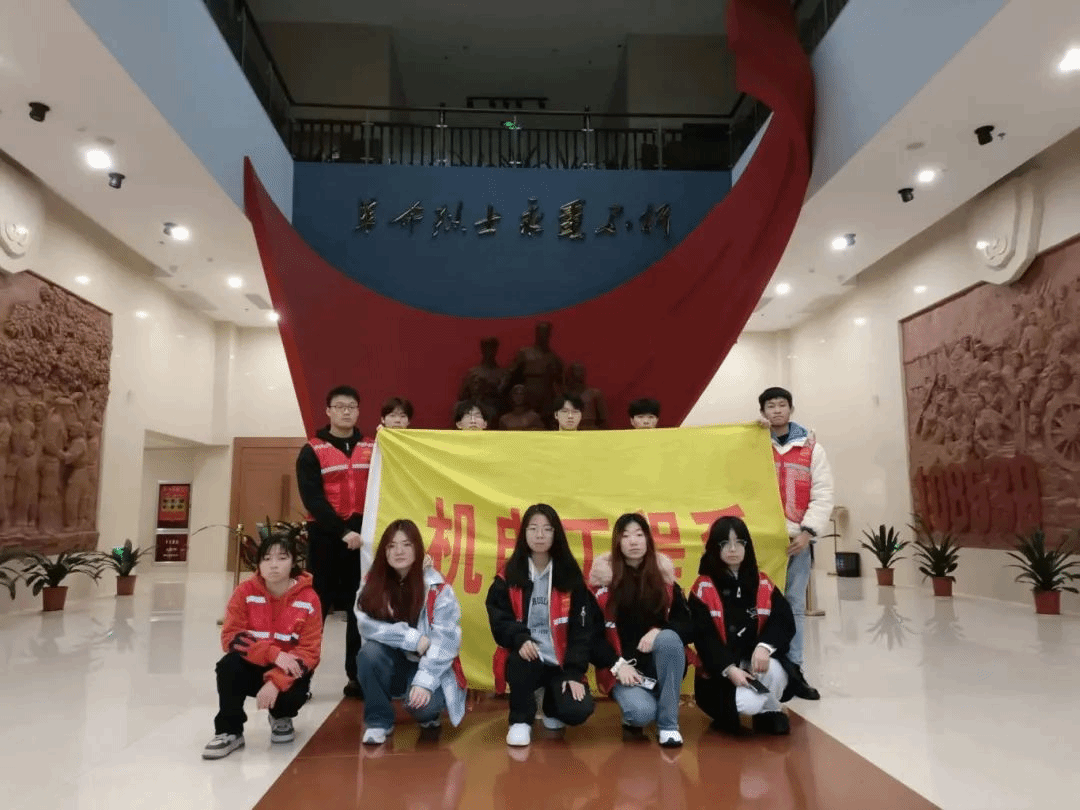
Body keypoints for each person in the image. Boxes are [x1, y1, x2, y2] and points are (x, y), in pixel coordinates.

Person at [203, 531, 322, 759]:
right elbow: (231, 636)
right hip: (256, 663)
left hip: (289, 671)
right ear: (258, 563)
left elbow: (310, 651)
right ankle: (230, 730)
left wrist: (276, 682)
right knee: (228, 666)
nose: (273, 565)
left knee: (293, 692)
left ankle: (281, 716)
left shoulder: (309, 599)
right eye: (266, 559)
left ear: (293, 562)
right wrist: (274, 654)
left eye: (282, 558)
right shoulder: (245, 592)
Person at [486, 503, 597, 746]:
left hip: (560, 663)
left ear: (556, 534)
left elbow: (582, 630)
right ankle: (520, 720)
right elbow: (499, 618)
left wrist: (574, 672)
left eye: (547, 529)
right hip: (528, 658)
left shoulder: (571, 576)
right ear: (523, 533)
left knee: (577, 710)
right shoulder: (508, 575)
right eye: (533, 528)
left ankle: (551, 706)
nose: (539, 535)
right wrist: (520, 638)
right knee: (520, 658)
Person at [355, 519, 467, 745]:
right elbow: (366, 624)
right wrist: (411, 638)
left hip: (426, 663)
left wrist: (424, 682)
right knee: (369, 654)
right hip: (391, 662)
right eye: (391, 546)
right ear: (384, 551)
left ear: (418, 549)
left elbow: (446, 641)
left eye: (406, 544)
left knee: (424, 708)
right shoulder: (373, 583)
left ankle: (429, 714)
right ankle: (378, 722)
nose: (399, 551)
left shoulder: (437, 588)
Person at [296, 384, 374, 699]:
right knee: (316, 608)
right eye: (339, 406)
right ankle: (301, 679)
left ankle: (357, 677)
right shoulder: (312, 450)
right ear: (328, 411)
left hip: (363, 537)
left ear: (358, 411)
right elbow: (312, 499)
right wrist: (342, 532)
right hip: (326, 538)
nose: (346, 411)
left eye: (351, 406)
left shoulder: (373, 447)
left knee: (359, 608)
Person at [588, 513, 693, 747]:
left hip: (658, 665)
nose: (633, 541)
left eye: (639, 535)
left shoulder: (665, 582)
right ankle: (649, 704)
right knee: (641, 714)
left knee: (669, 638)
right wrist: (618, 665)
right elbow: (591, 638)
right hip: (625, 670)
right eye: (626, 536)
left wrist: (659, 631)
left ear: (648, 540)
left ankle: (668, 726)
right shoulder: (601, 587)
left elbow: (687, 624)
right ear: (617, 543)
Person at [689, 516, 798, 735]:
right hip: (719, 674)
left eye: (739, 542)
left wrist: (764, 647)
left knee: (777, 672)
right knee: (749, 703)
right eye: (725, 543)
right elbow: (704, 638)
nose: (733, 549)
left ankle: (769, 712)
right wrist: (729, 669)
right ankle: (729, 712)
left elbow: (783, 620)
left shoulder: (763, 582)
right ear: (715, 547)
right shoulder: (703, 587)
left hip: (753, 663)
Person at [758, 386, 833, 700]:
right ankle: (762, 669)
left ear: (791, 408)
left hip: (796, 540)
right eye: (770, 406)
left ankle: (795, 670)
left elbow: (823, 493)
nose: (777, 410)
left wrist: (808, 532)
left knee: (794, 606)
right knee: (759, 605)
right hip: (763, 540)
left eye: (782, 405)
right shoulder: (755, 444)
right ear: (763, 411)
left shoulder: (811, 448)